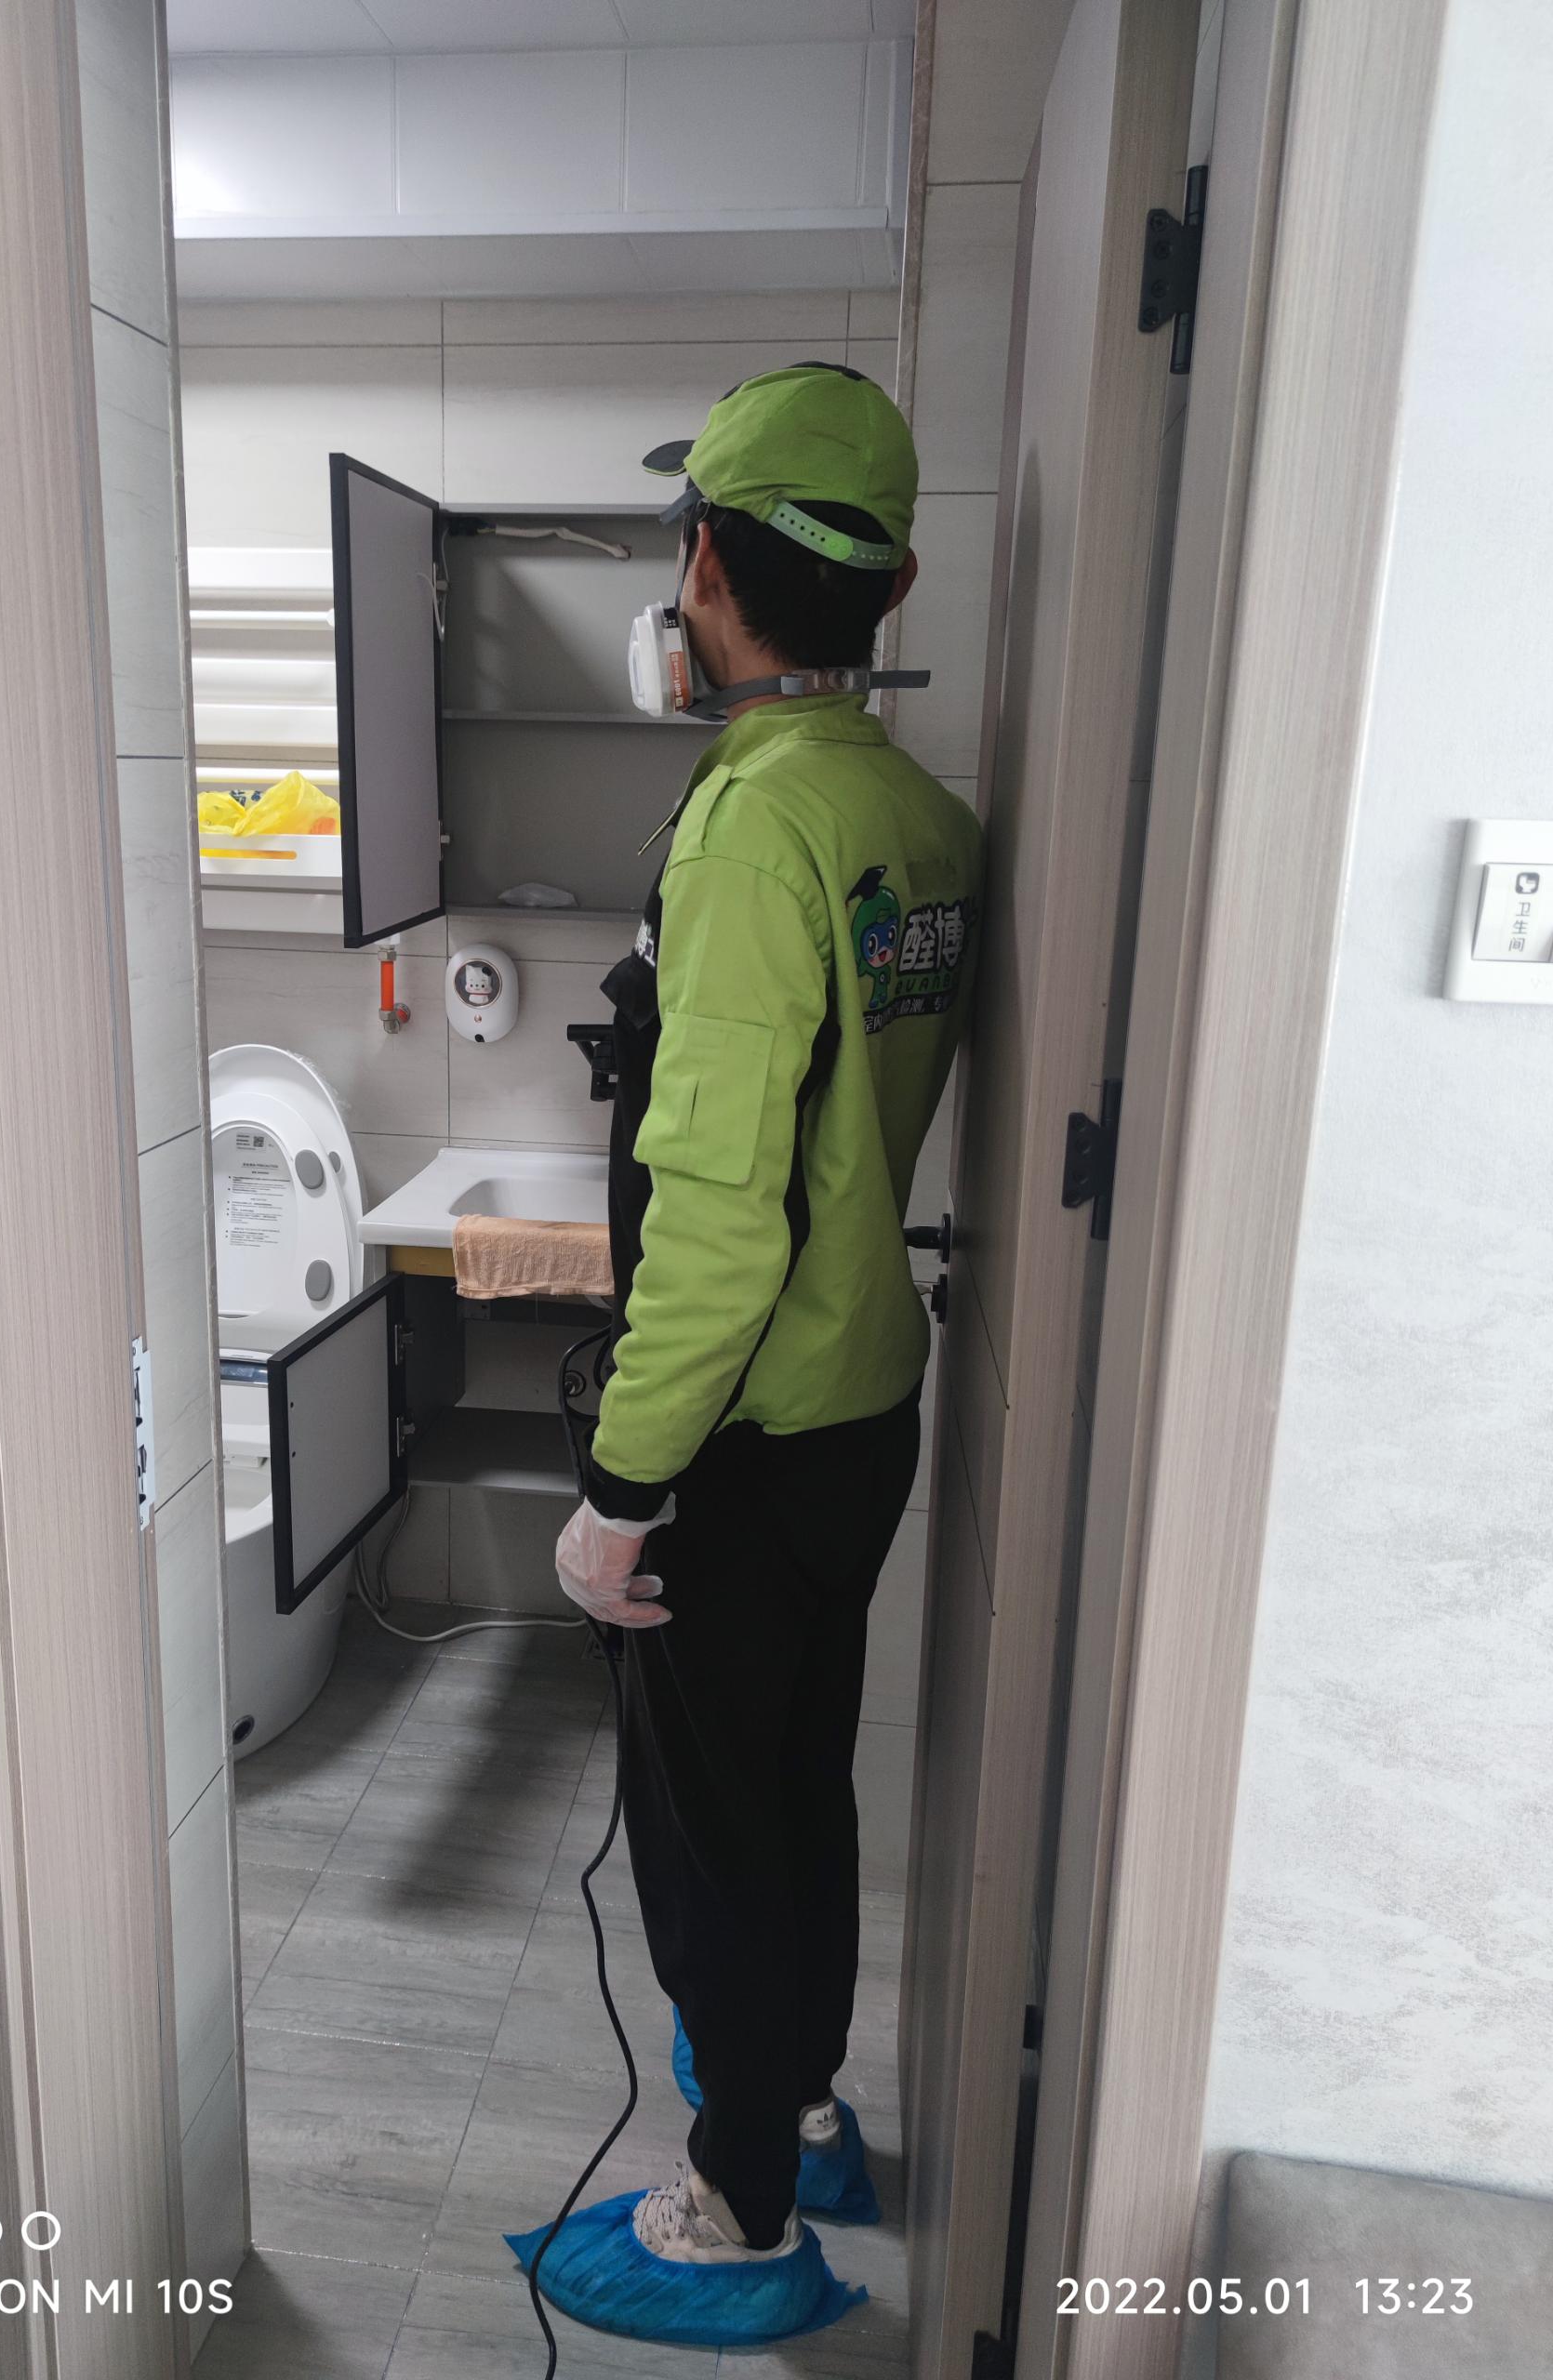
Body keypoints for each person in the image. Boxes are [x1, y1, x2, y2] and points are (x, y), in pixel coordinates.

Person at [551, 363, 985, 2292]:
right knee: (800, 1779)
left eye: (684, 547)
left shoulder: (750, 831)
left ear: (707, 567)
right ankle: (800, 2103)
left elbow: (717, 1223)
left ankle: (736, 2205)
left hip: (734, 1431)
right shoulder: (915, 810)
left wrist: (618, 1489)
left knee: (708, 1825)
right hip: (863, 1402)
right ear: (894, 590)